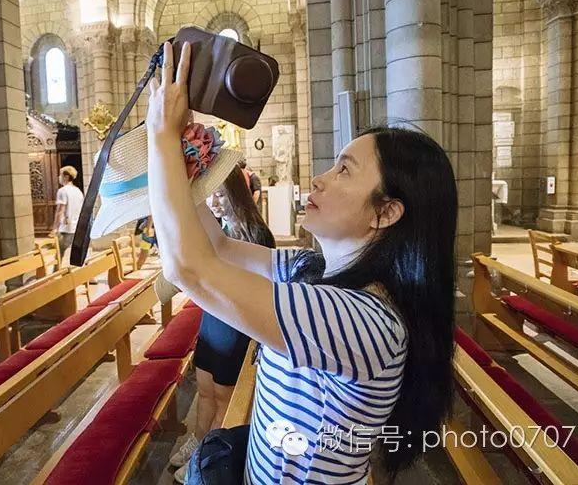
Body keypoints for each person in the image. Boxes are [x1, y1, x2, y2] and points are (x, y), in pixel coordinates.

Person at [147, 41, 456, 484]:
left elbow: (188, 267)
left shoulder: (364, 320)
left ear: (385, 212)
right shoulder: (310, 270)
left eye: (344, 171)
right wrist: (183, 153)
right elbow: (214, 249)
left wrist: (160, 138)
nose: (320, 178)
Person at [171, 168, 275, 483]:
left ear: (234, 194)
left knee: (222, 396)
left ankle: (208, 458)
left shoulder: (256, 233)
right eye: (209, 194)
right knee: (204, 388)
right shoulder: (218, 226)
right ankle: (198, 442)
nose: (214, 200)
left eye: (218, 194)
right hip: (212, 315)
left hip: (236, 320)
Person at [51, 166, 84, 262]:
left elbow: (60, 210)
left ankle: (56, 274)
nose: (58, 177)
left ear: (65, 176)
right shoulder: (78, 191)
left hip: (66, 228)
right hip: (77, 227)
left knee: (59, 254)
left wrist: (55, 228)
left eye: (60, 175)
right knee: (78, 253)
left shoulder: (63, 191)